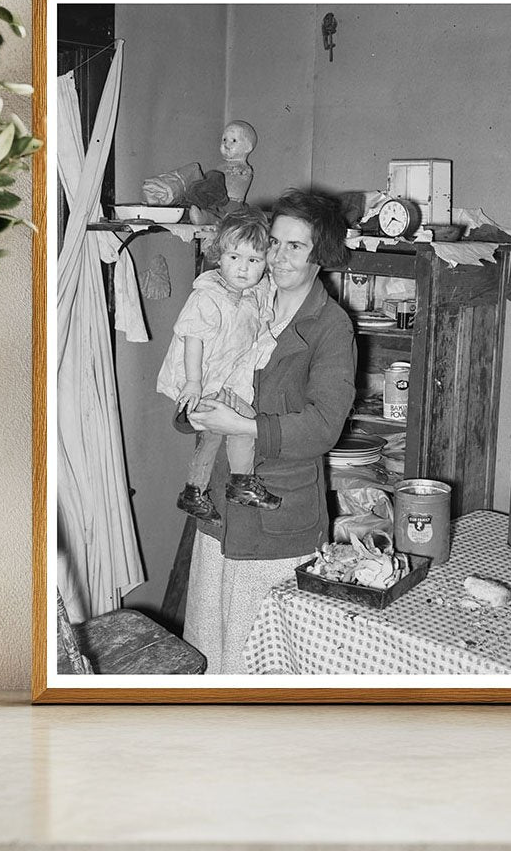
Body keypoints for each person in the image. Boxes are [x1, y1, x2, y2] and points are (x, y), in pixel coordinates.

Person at [185, 189, 356, 673]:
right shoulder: (237, 300)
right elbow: (190, 370)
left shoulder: (330, 328)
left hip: (276, 524)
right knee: (207, 651)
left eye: (295, 246)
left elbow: (323, 427)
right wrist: (191, 409)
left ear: (320, 254)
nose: (277, 258)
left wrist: (241, 425)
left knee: (257, 664)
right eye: (273, 243)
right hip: (218, 512)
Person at [156, 207, 282, 522]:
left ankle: (193, 492)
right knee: (245, 422)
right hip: (203, 380)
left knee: (213, 435)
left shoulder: (252, 293)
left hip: (223, 380)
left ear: (265, 264)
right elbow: (192, 339)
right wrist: (193, 382)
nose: (242, 268)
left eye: (254, 261)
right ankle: (240, 483)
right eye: (234, 258)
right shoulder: (207, 297)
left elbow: (267, 298)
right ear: (219, 255)